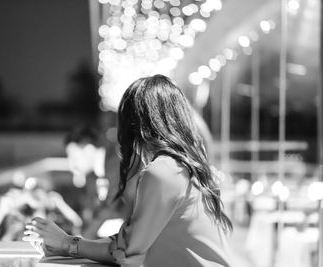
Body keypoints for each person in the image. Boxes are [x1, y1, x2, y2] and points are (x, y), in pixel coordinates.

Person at [24, 75, 233, 267]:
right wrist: (70, 243)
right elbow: (131, 242)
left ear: (134, 124)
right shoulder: (184, 167)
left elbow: (127, 251)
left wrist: (68, 243)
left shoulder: (163, 171)